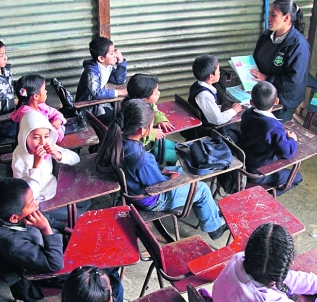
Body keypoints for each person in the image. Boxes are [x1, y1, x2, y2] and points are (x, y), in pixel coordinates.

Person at [0, 178, 124, 302]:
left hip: (52, 255)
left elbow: (51, 221)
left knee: (110, 266)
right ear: (14, 218)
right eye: (32, 203)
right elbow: (54, 264)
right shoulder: (12, 244)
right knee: (111, 285)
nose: (37, 204)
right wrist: (45, 229)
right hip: (40, 278)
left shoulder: (16, 214)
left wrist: (74, 233)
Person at [96, 99, 228, 241]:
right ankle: (214, 227)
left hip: (137, 183)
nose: (153, 128)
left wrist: (165, 171)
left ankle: (210, 212)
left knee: (183, 170)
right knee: (201, 188)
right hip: (155, 199)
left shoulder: (118, 138)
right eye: (152, 125)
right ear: (142, 130)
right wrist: (171, 178)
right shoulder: (139, 158)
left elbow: (151, 173)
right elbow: (159, 186)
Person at [12, 107, 86, 222]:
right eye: (36, 137)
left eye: (46, 136)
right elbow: (28, 196)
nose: (42, 142)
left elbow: (76, 159)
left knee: (86, 202)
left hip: (54, 188)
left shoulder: (47, 145)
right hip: (39, 203)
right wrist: (35, 166)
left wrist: (58, 155)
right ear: (24, 137)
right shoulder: (19, 159)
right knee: (82, 215)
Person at [250, 0, 310, 122]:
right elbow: (257, 59)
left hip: (283, 100)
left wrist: (267, 78)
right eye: (269, 14)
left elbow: (293, 81)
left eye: (273, 15)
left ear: (286, 18)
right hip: (264, 94)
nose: (268, 18)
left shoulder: (299, 45)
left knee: (274, 132)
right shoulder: (266, 36)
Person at [238, 81, 302, 196]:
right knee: (297, 177)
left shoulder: (247, 113)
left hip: (244, 163)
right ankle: (268, 197)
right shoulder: (273, 127)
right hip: (258, 173)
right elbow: (287, 153)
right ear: (276, 101)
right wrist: (292, 139)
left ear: (251, 102)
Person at [124, 73, 177, 165]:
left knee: (177, 147)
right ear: (144, 99)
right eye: (156, 93)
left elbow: (155, 111)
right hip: (144, 149)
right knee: (178, 155)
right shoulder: (133, 113)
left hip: (151, 142)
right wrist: (153, 133)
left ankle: (171, 165)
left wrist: (161, 119)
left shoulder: (143, 104)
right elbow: (134, 135)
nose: (159, 93)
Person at [188, 54, 244, 140]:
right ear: (211, 76)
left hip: (207, 122)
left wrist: (222, 107)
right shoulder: (204, 95)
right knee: (239, 135)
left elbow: (207, 108)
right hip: (209, 131)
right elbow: (218, 120)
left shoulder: (196, 85)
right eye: (218, 70)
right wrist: (233, 111)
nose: (220, 72)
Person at [75, 35, 128, 125]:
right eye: (112, 53)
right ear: (101, 58)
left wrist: (121, 61)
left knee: (123, 115)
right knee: (115, 121)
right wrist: (119, 92)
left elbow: (119, 80)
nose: (115, 55)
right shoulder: (91, 72)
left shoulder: (107, 67)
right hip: (88, 107)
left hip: (100, 102)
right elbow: (96, 93)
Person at [9, 74, 66, 142]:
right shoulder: (28, 116)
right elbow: (45, 137)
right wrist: (58, 128)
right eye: (44, 90)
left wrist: (58, 121)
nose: (46, 92)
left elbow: (58, 114)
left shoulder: (41, 106)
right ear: (35, 96)